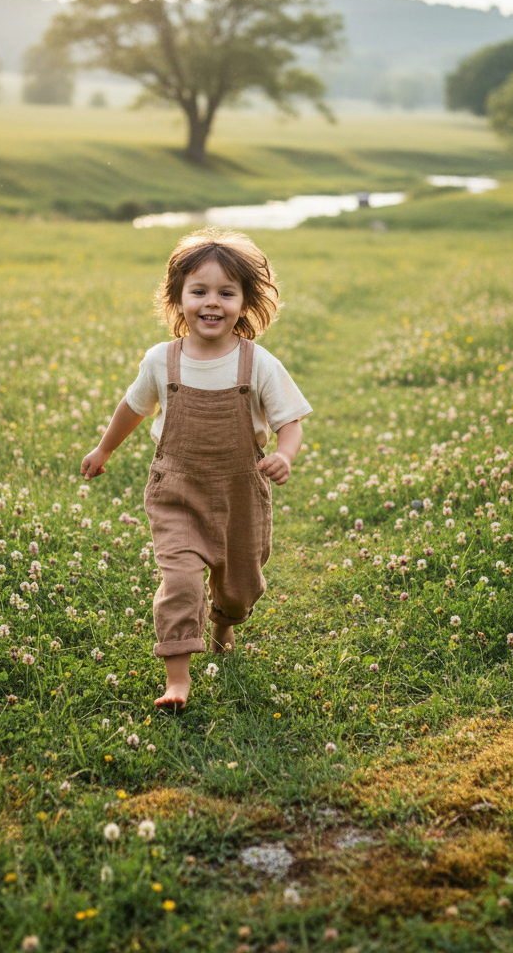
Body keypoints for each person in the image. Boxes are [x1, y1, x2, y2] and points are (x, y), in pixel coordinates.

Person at [81, 228, 311, 710]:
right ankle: (178, 679)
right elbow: (134, 408)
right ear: (178, 297)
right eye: (199, 291)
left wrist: (285, 455)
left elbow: (290, 421)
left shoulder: (258, 363)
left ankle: (225, 622)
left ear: (244, 303)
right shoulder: (161, 361)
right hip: (177, 492)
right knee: (181, 581)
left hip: (240, 496)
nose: (212, 303)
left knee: (240, 586)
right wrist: (103, 450)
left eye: (226, 293)